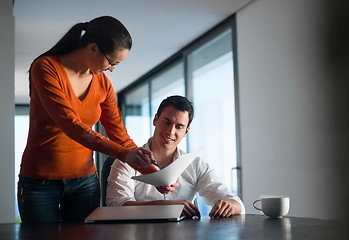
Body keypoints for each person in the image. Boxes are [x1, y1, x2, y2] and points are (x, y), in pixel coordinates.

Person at [17, 16, 156, 223]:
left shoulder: (104, 85)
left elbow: (119, 134)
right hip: (39, 183)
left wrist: (153, 174)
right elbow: (71, 126)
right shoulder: (45, 68)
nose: (112, 69)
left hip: (85, 182)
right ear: (93, 49)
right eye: (112, 62)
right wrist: (125, 155)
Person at [106, 95, 245, 218]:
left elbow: (235, 202)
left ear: (186, 131)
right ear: (155, 119)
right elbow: (116, 206)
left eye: (179, 126)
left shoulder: (195, 164)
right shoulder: (126, 162)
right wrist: (166, 206)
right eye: (167, 122)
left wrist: (231, 205)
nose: (170, 131)